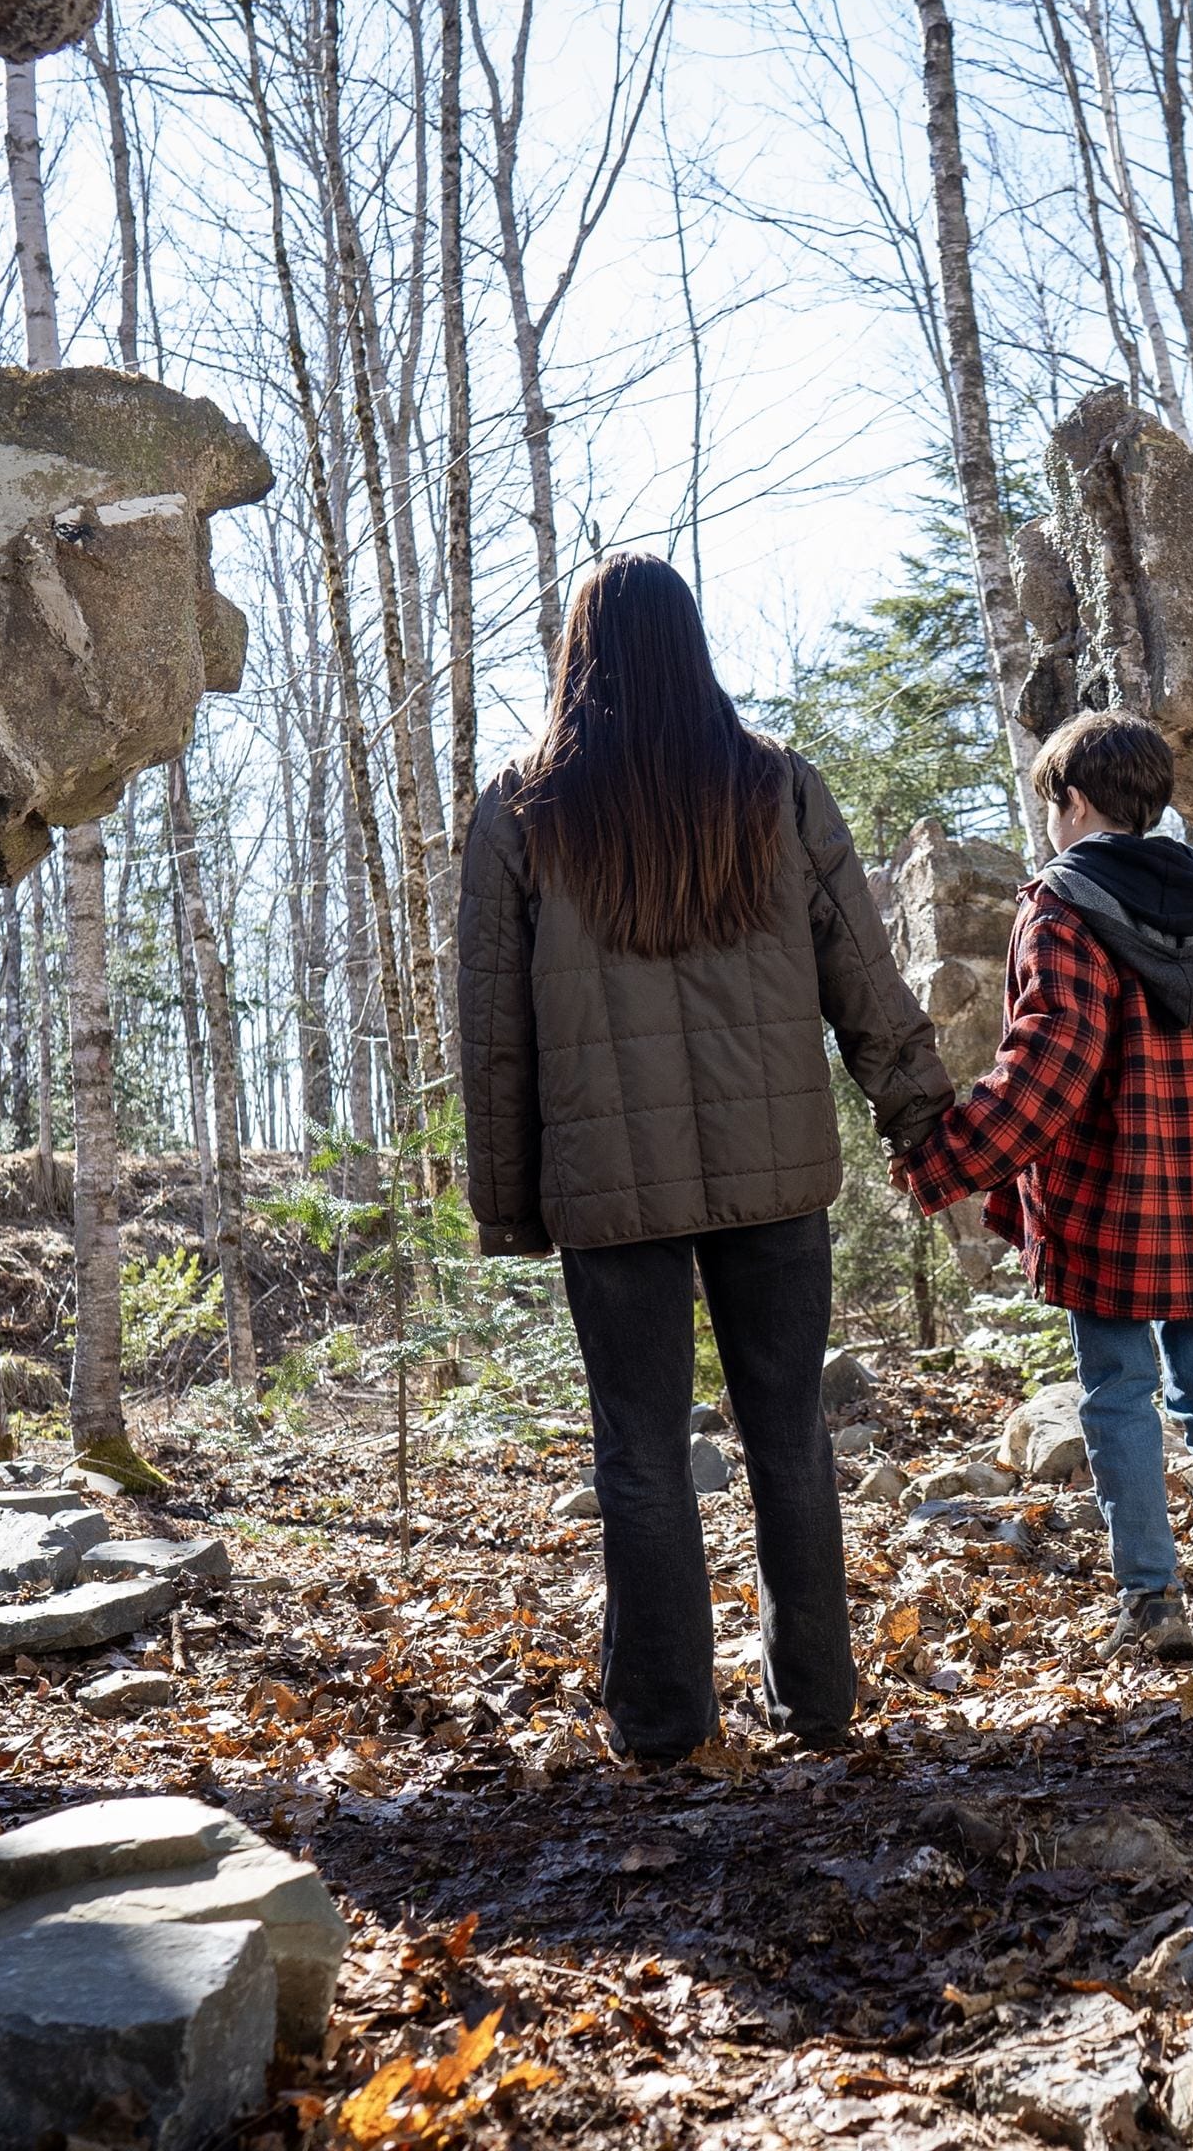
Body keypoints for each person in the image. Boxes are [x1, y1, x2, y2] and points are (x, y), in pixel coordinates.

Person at [457, 552, 951, 1766]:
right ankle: (819, 1705)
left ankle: (666, 1726)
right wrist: (922, 1118)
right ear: (694, 644)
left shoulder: (524, 806)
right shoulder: (774, 787)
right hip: (773, 1168)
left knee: (639, 1447)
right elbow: (864, 976)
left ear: (579, 653)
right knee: (787, 1435)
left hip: (610, 1194)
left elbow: (493, 1030)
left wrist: (513, 1203)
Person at [890, 711, 1193, 1661]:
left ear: (1072, 801)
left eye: (1050, 804)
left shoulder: (1062, 903)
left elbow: (1050, 1065)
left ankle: (1151, 1606)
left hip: (1108, 1197)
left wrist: (943, 1157)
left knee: (1117, 1392)